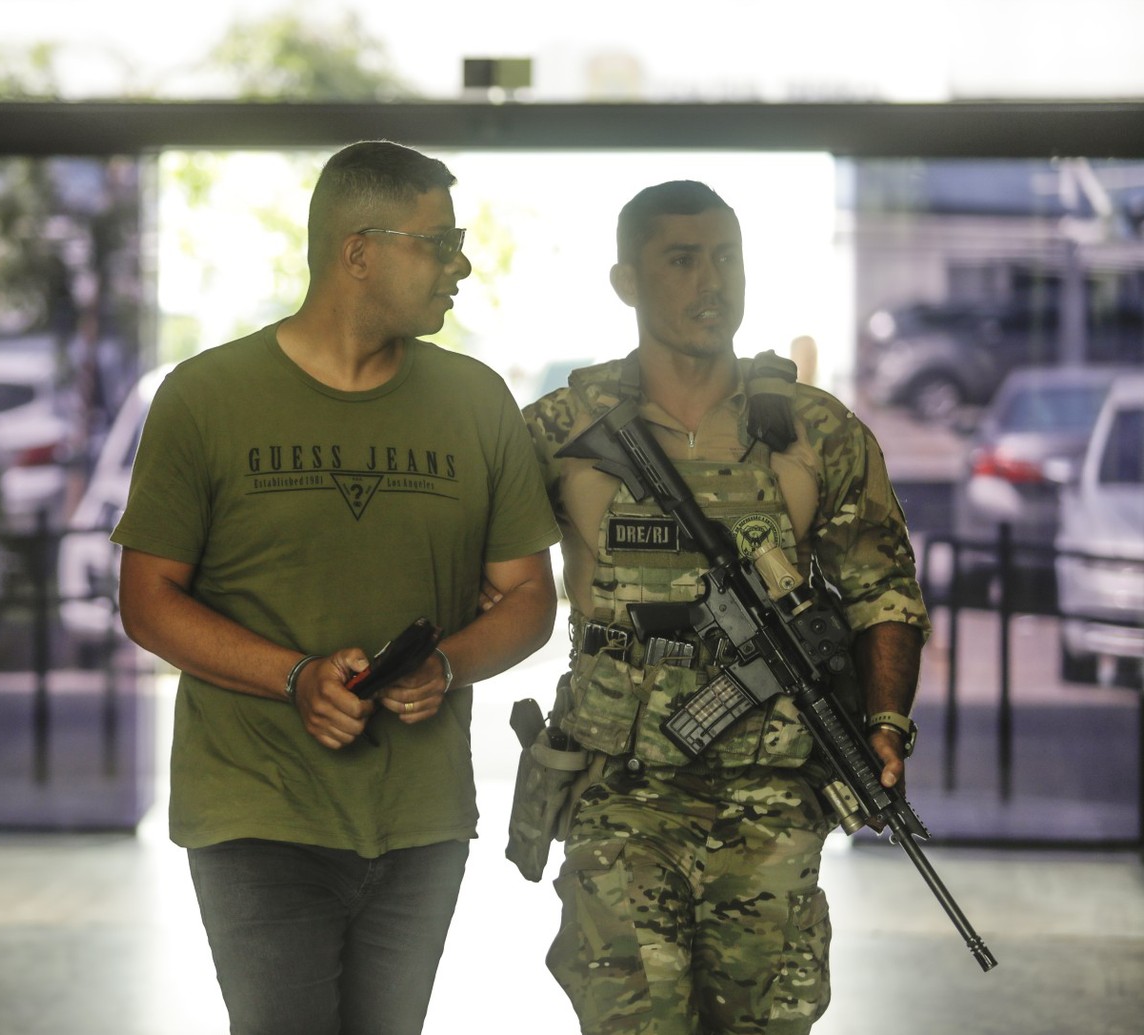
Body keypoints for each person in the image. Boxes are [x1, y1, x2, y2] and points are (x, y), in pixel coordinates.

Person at [112, 140, 561, 1035]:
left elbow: (529, 598)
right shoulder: (207, 397)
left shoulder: (477, 403)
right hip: (256, 808)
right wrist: (295, 675)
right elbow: (148, 597)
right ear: (359, 250)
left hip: (421, 820)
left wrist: (448, 663)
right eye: (440, 241)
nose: (460, 264)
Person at [520, 179, 930, 1035]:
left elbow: (881, 590)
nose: (712, 281)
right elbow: (485, 573)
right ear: (627, 281)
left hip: (775, 796)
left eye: (726, 258)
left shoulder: (819, 430)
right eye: (681, 260)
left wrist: (886, 721)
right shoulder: (559, 428)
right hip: (620, 789)